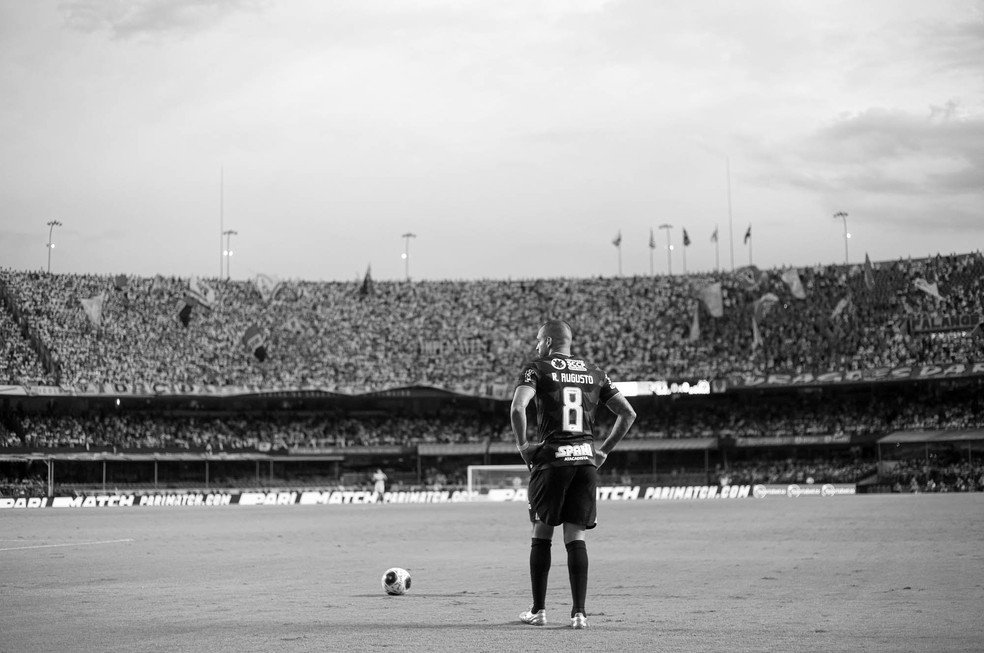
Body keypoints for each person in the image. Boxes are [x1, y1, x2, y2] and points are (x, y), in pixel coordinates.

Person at [510, 319, 636, 630]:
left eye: (539, 340)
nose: (537, 346)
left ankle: (538, 610)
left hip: (552, 461)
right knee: (575, 537)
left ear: (550, 343)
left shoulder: (536, 368)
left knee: (542, 531)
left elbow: (517, 408)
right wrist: (603, 450)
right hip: (585, 462)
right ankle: (579, 613)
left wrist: (524, 445)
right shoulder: (595, 371)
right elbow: (628, 413)